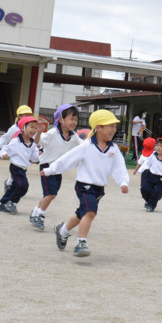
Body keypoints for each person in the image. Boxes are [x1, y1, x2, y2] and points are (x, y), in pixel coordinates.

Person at [46, 109, 130, 258]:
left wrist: (123, 182)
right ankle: (81, 243)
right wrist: (50, 170)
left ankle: (62, 231)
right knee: (90, 211)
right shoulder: (86, 145)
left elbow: (119, 167)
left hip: (99, 188)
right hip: (84, 185)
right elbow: (68, 159)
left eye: (115, 126)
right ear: (98, 127)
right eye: (110, 126)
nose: (113, 130)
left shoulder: (114, 149)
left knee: (82, 213)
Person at [29, 104, 84, 229]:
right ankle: (39, 215)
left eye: (76, 120)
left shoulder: (74, 136)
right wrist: (39, 132)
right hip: (46, 166)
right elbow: (37, 141)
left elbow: (83, 146)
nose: (74, 122)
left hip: (58, 168)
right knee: (51, 194)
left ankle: (35, 213)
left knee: (48, 194)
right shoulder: (53, 133)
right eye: (71, 119)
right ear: (60, 119)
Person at [0, 115, 40, 214]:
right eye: (31, 127)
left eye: (35, 128)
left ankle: (2, 203)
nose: (34, 130)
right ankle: (12, 202)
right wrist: (3, 154)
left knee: (14, 187)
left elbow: (34, 158)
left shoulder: (33, 144)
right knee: (23, 186)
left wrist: (40, 154)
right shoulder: (16, 141)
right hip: (15, 167)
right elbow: (5, 148)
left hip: (23, 169)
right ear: (23, 128)